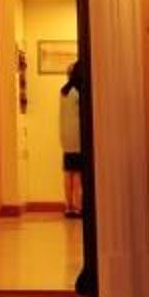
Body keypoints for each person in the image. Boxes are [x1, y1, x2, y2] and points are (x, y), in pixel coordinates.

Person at [59, 60, 84, 219]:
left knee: (68, 172)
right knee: (77, 173)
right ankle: (78, 206)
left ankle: (68, 206)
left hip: (65, 136)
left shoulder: (63, 91)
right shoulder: (77, 92)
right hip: (77, 136)